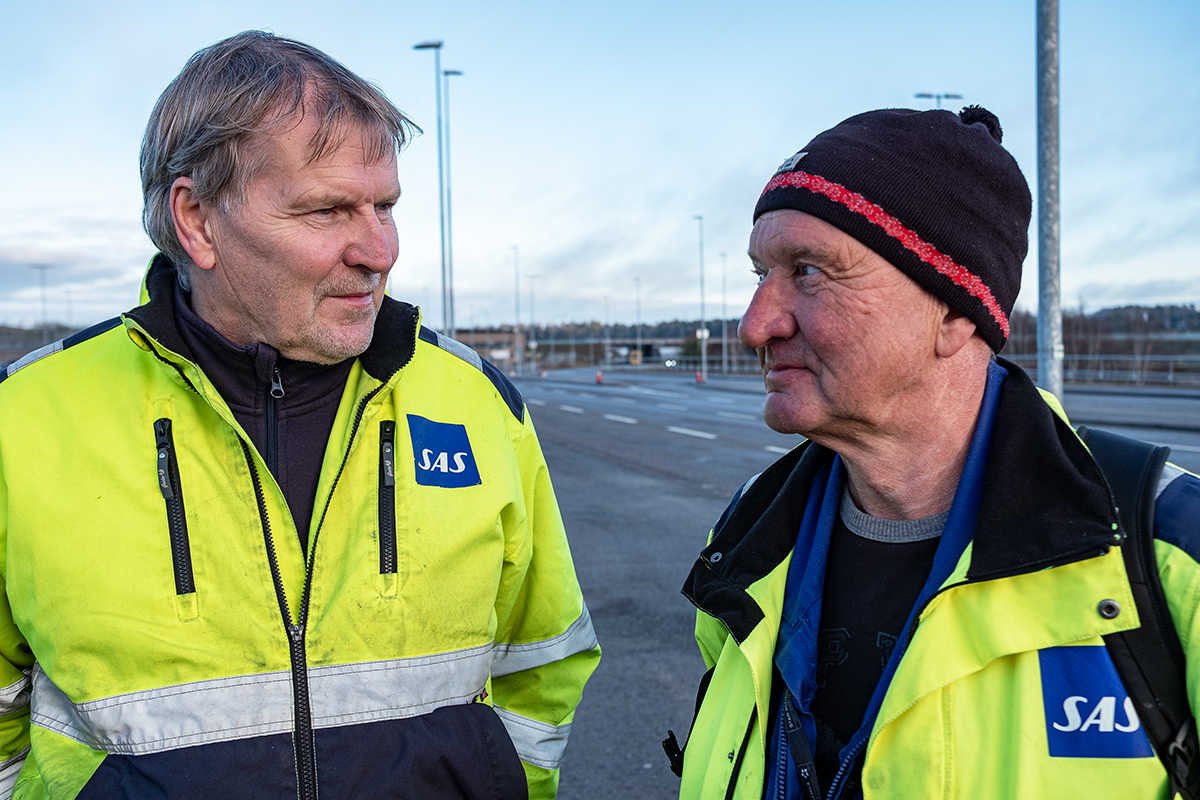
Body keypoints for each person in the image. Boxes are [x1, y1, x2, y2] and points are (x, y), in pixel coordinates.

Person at [0, 31, 598, 799]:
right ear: (198, 221)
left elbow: (541, 665)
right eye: (327, 211)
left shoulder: (474, 402)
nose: (379, 249)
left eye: (384, 205)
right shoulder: (27, 420)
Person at [675, 107, 1200, 799]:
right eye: (760, 274)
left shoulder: (1166, 551)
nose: (754, 325)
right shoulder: (749, 536)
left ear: (954, 312)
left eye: (808, 271)